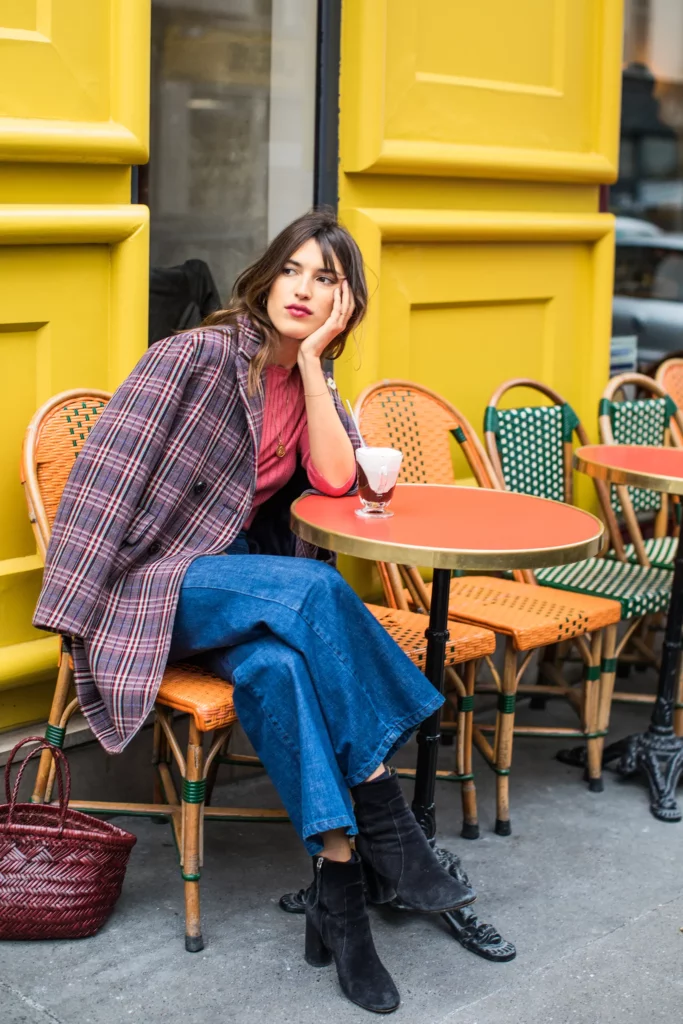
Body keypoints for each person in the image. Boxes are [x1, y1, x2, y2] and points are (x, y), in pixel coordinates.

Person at [34, 209, 475, 1014]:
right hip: (151, 583)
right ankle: (392, 824)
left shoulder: (307, 377)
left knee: (278, 670)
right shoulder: (192, 356)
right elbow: (102, 484)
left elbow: (339, 482)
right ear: (267, 275)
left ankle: (341, 892)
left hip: (233, 584)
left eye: (327, 281)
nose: (304, 290)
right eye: (294, 270)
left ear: (346, 304)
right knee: (311, 592)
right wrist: (75, 616)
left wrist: (310, 365)